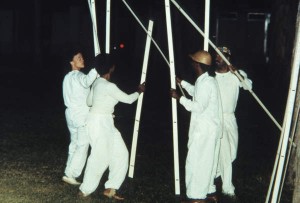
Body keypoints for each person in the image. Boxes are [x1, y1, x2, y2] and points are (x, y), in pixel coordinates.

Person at [78, 53, 145, 200]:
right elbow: (128, 100)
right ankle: (85, 189)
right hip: (100, 123)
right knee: (99, 157)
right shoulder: (109, 86)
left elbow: (89, 102)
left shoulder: (96, 83)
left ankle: (111, 188)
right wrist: (139, 91)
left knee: (121, 154)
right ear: (111, 68)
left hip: (104, 122)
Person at [171, 50, 222, 203]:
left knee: (198, 162)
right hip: (205, 130)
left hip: (205, 131)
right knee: (204, 162)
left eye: (193, 61)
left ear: (197, 65)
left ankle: (197, 197)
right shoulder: (205, 80)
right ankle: (208, 192)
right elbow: (197, 93)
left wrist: (179, 98)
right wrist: (182, 83)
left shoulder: (207, 83)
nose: (192, 63)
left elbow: (198, 106)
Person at [214, 46, 252, 199]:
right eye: (216, 56)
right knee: (225, 153)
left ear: (227, 58)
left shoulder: (237, 74)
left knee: (231, 153)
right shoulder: (212, 77)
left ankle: (214, 173)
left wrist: (236, 74)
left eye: (221, 56)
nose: (217, 59)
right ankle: (228, 188)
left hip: (230, 118)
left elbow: (248, 86)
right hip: (217, 118)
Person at [62, 48, 98, 185]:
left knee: (75, 143)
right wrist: (97, 67)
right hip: (80, 114)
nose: (82, 60)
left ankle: (68, 171)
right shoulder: (78, 76)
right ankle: (72, 173)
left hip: (70, 114)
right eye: (78, 58)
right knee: (83, 144)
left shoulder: (67, 77)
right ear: (71, 62)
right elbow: (87, 81)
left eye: (82, 57)